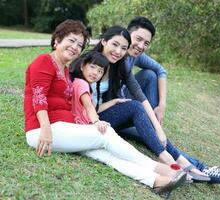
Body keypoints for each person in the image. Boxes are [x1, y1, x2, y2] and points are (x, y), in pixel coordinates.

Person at [23, 19, 187, 196]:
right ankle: (161, 168)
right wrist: (46, 130)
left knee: (105, 154)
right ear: (56, 40)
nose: (75, 47)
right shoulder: (44, 61)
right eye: (71, 40)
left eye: (79, 44)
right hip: (43, 131)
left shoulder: (64, 69)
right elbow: (39, 98)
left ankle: (156, 181)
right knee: (105, 134)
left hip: (65, 130)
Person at [91, 25, 214, 183]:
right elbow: (83, 104)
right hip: (92, 119)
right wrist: (113, 103)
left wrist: (159, 128)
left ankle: (181, 162)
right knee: (135, 108)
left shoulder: (120, 65)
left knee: (143, 114)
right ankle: (171, 162)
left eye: (123, 48)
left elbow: (140, 96)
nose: (118, 51)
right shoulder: (89, 63)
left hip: (108, 116)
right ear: (103, 41)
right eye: (114, 45)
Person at [120, 16, 220, 183]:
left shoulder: (133, 56)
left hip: (129, 105)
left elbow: (161, 70)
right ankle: (198, 168)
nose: (141, 46)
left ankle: (156, 131)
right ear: (127, 33)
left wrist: (162, 105)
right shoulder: (114, 55)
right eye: (138, 39)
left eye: (146, 43)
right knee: (150, 134)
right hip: (116, 115)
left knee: (150, 74)